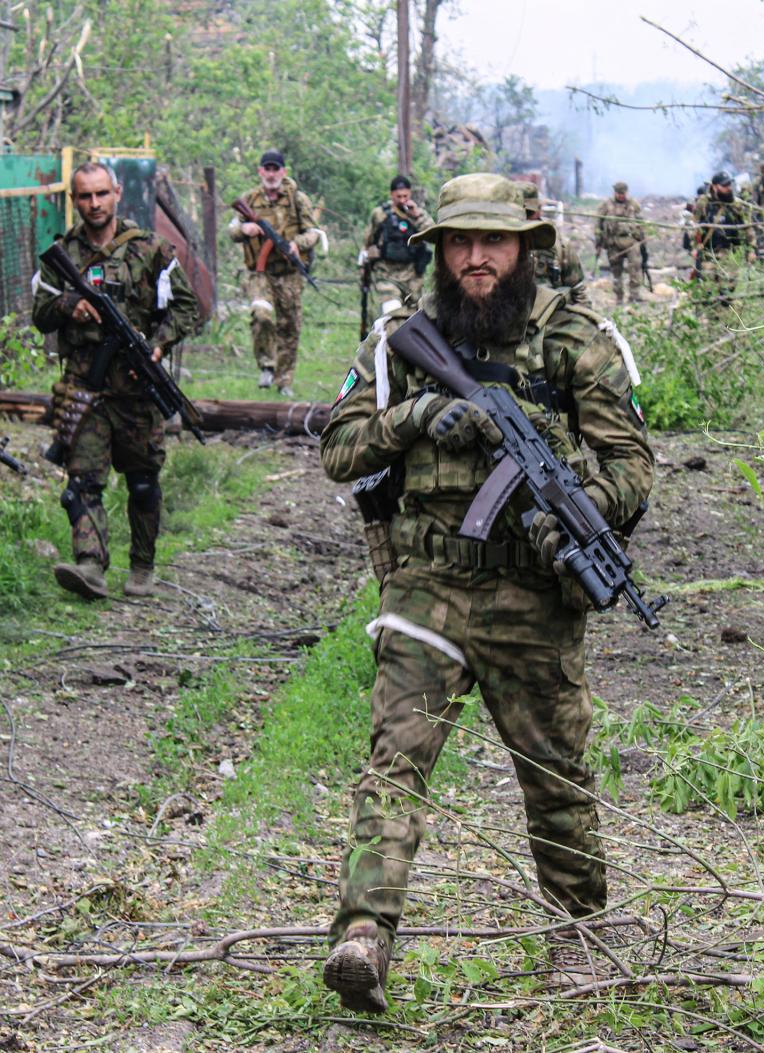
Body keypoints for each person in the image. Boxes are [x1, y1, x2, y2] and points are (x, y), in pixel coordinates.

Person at [318, 172, 654, 1012]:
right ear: (438, 252)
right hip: (427, 583)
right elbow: (338, 447)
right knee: (396, 764)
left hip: (535, 599)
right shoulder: (402, 339)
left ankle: (577, 940)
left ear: (525, 250)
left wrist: (575, 522)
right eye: (461, 243)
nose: (476, 258)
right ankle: (364, 937)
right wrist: (418, 419)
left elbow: (634, 470)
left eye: (493, 243)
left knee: (557, 776)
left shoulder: (578, 340)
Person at [32, 161, 200, 600]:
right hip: (85, 387)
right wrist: (69, 304)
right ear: (74, 200)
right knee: (83, 482)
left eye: (101, 194)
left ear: (118, 193)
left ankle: (142, 566)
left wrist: (157, 346)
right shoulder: (62, 254)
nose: (94, 204)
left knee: (143, 481)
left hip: (136, 389)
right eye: (85, 196)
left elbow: (187, 308)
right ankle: (90, 565)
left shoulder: (150, 249)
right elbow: (39, 313)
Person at [229, 150, 326, 397]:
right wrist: (245, 228)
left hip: (289, 273)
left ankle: (284, 381)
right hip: (259, 273)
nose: (271, 174)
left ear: (283, 172)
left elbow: (314, 232)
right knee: (261, 314)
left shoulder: (297, 199)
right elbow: (232, 231)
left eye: (276, 169)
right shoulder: (249, 199)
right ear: (261, 171)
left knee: (289, 327)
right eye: (267, 169)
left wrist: (297, 244)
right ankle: (266, 366)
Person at [360, 175, 433, 313]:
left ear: (410, 193)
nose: (402, 200)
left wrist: (416, 216)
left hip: (413, 279)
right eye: (398, 196)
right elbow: (368, 242)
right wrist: (363, 268)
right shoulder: (380, 214)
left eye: (405, 196)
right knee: (392, 314)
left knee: (413, 320)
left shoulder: (417, 214)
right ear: (391, 195)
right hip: (387, 276)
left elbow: (433, 236)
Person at [517, 181, 589, 305]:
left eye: (529, 213)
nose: (524, 218)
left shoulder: (559, 245)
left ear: (539, 211)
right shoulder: (495, 247)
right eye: (518, 213)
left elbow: (578, 292)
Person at [695, 171, 750, 305]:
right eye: (724, 185)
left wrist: (751, 249)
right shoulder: (704, 203)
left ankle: (725, 320)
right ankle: (709, 319)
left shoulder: (736, 205)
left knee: (727, 293)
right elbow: (695, 227)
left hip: (729, 254)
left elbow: (748, 228)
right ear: (714, 187)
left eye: (729, 185)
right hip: (708, 253)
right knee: (707, 292)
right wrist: (695, 247)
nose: (728, 188)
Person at [595, 180, 646, 304]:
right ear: (614, 193)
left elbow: (641, 223)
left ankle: (634, 295)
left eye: (622, 193)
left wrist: (642, 239)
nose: (620, 195)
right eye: (618, 193)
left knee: (635, 268)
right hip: (613, 242)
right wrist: (599, 241)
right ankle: (619, 297)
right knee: (616, 272)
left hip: (631, 242)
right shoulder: (606, 205)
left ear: (626, 193)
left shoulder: (633, 205)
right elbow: (598, 224)